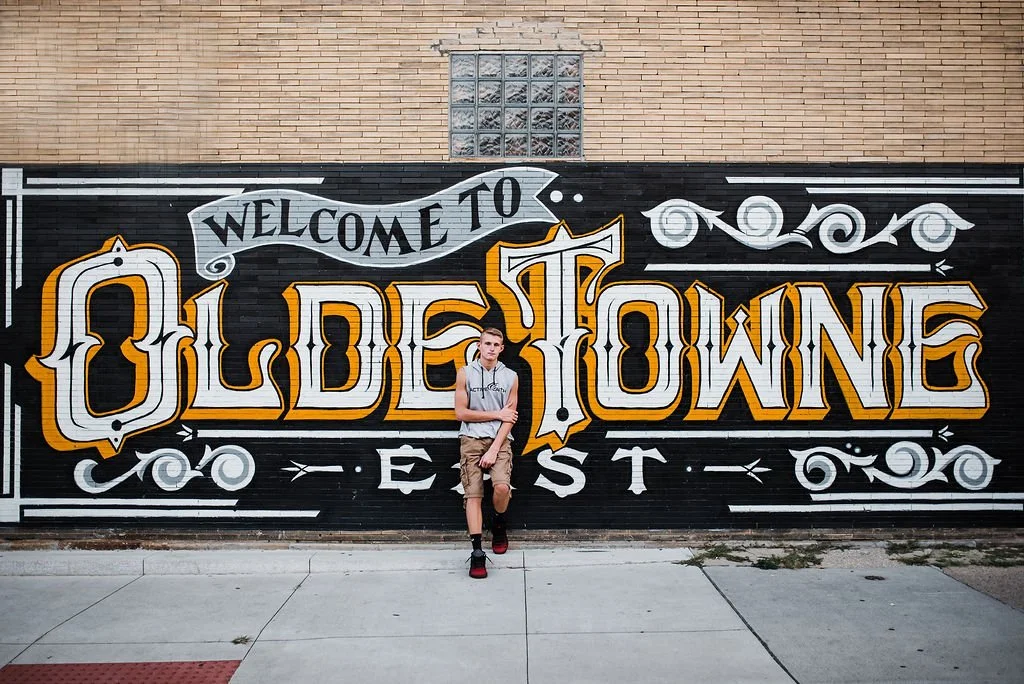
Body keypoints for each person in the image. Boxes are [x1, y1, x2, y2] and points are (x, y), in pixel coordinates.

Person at [454, 327, 519, 579]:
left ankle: (499, 522)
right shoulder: (465, 374)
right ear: (479, 346)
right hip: (470, 439)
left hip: (499, 440)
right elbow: (461, 413)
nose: (491, 348)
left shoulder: (511, 377)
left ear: (501, 349)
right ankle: (478, 552)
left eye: (496, 344)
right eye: (487, 343)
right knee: (473, 495)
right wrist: (496, 414)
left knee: (502, 488)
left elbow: (509, 418)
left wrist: (494, 449)